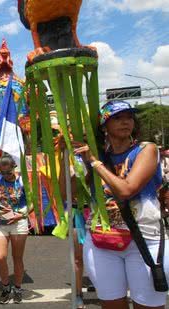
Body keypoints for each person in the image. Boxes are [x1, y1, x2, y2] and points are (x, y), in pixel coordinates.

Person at [71, 100, 169, 309]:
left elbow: (127, 190)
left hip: (144, 240)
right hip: (102, 242)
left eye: (129, 117)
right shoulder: (99, 158)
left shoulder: (146, 150)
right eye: (117, 118)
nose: (125, 122)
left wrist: (95, 163)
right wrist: (64, 153)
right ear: (104, 126)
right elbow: (70, 194)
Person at [0, 155, 32, 304]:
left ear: (13, 167)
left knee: (17, 258)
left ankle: (17, 288)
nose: (5, 175)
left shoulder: (22, 180)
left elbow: (33, 202)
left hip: (19, 222)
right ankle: (6, 287)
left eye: (8, 172)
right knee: (0, 256)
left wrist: (21, 215)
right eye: (2, 172)